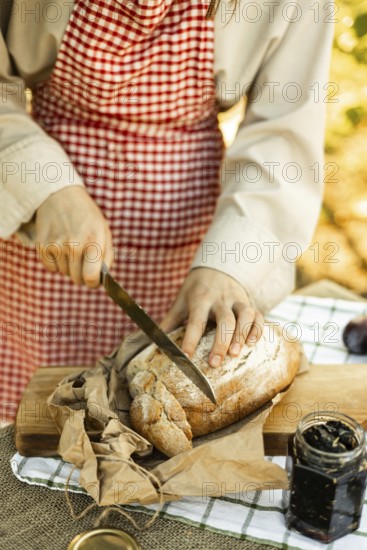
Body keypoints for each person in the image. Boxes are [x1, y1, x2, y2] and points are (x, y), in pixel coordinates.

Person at [0, 0, 334, 422]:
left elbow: (284, 132)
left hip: (192, 247)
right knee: (38, 423)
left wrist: (231, 263)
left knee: (164, 408)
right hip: (40, 231)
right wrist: (41, 184)